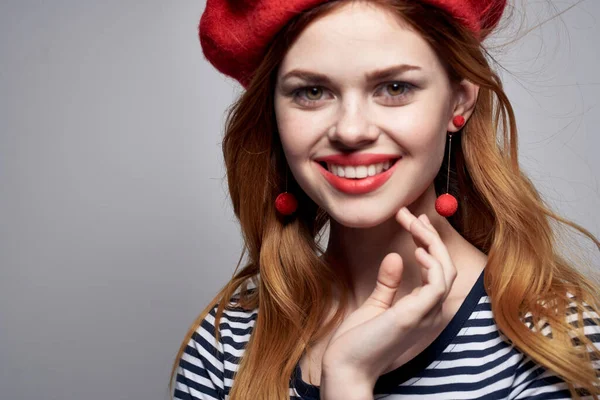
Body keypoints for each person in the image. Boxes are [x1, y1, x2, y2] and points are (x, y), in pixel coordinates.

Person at [170, 0, 600, 398]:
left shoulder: (557, 343)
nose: (351, 130)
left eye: (394, 87)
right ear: (274, 114)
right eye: (312, 92)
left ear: (459, 102)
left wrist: (351, 379)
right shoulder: (227, 343)